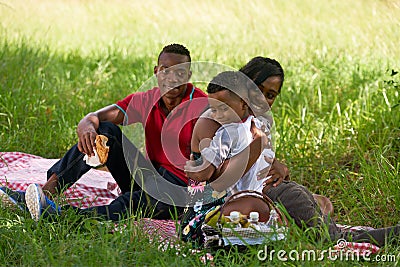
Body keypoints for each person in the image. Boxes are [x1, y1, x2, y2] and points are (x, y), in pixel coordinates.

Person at [3, 43, 209, 221]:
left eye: (180, 72)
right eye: (166, 70)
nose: (172, 78)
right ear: (156, 71)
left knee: (129, 203)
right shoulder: (147, 99)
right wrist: (86, 126)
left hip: (178, 189)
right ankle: (46, 192)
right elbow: (97, 117)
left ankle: (60, 215)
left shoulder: (201, 107)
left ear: (188, 76)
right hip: (148, 177)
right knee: (105, 131)